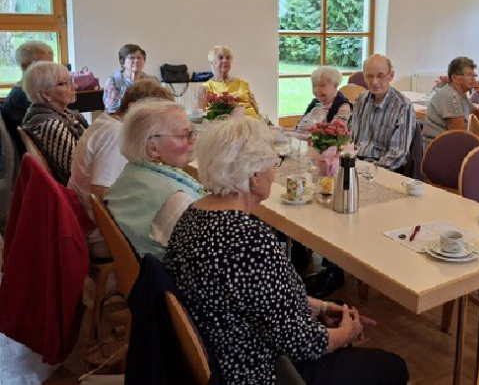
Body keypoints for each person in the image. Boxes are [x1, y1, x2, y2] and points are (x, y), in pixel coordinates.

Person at [164, 117, 409, 385]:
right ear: (253, 177)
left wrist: (320, 306)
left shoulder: (195, 214)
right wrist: (345, 334)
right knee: (394, 367)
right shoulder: (247, 240)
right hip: (258, 370)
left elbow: (257, 298)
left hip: (225, 347)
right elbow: (299, 344)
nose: (274, 171)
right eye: (273, 163)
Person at [69, 81, 174, 258]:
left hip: (83, 219)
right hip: (97, 232)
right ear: (133, 108)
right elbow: (101, 194)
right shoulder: (117, 134)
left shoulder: (108, 121)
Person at [104, 100, 202, 260]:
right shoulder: (175, 200)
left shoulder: (133, 172)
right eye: (185, 135)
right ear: (153, 148)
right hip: (172, 281)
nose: (194, 140)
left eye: (192, 132)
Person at [21, 62, 87, 185]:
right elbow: (78, 169)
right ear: (46, 94)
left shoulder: (63, 114)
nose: (75, 86)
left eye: (71, 80)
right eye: (64, 83)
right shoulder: (50, 124)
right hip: (75, 192)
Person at [349, 54, 415, 172]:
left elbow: (398, 154)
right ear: (364, 77)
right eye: (369, 76)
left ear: (391, 76)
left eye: (380, 76)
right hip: (355, 164)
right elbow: (349, 138)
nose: (375, 82)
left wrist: (370, 171)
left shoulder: (403, 106)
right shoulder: (360, 100)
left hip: (383, 169)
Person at [1, 41, 54, 154]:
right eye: (43, 66)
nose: (50, 71)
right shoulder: (21, 97)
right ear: (25, 66)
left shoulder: (33, 92)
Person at [423, 57, 479, 145]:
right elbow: (460, 136)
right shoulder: (450, 96)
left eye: (474, 75)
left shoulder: (461, 96)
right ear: (455, 78)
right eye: (469, 75)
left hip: (449, 145)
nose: (473, 79)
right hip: (438, 149)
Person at [201, 45, 260, 117]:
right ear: (213, 62)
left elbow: (255, 108)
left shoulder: (242, 84)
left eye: (228, 58)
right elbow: (203, 114)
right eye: (221, 58)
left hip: (252, 121)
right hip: (225, 124)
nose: (225, 60)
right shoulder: (207, 87)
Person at [103, 44, 159, 113]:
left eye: (139, 58)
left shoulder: (152, 80)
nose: (136, 61)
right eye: (132, 58)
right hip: (121, 119)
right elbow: (111, 108)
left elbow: (160, 103)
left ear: (144, 61)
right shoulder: (114, 81)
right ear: (123, 62)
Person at [296, 66, 352, 132]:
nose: (317, 90)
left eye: (322, 86)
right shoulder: (315, 102)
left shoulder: (343, 106)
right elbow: (299, 125)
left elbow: (336, 133)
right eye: (314, 85)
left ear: (335, 85)